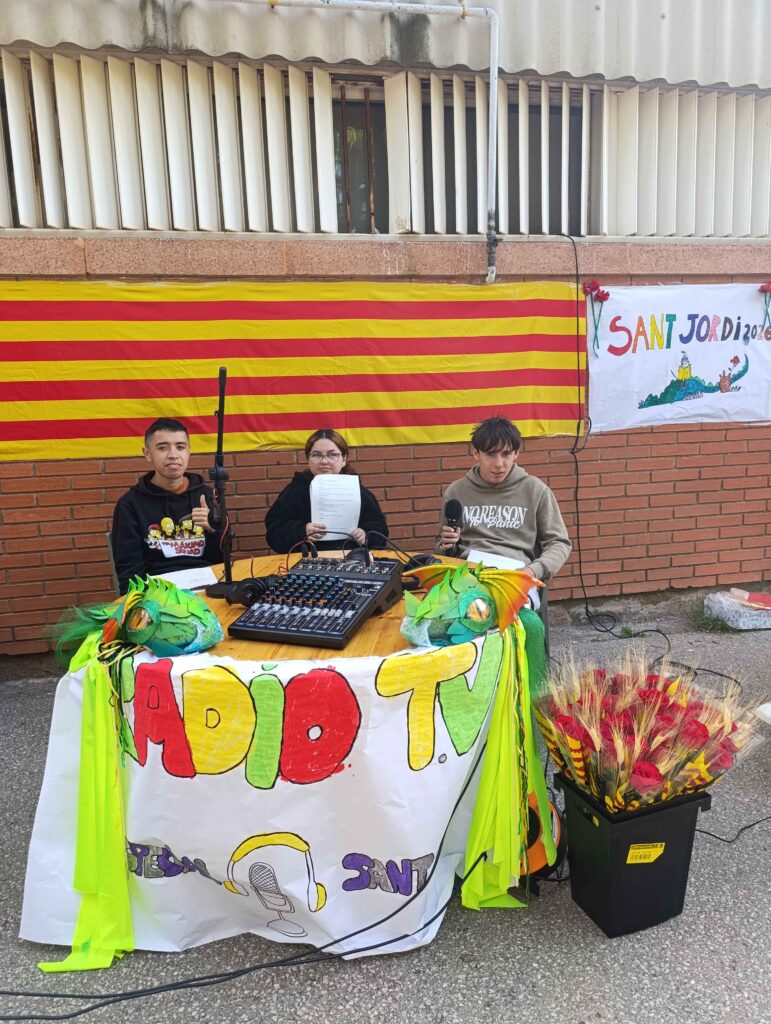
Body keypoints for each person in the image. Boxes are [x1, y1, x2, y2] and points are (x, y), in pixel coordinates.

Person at [436, 416, 571, 585]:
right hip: (467, 576)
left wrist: (534, 570)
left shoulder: (536, 491)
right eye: (490, 454)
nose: (499, 463)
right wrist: (446, 545)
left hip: (516, 577)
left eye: (506, 454)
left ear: (516, 453)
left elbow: (558, 543)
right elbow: (441, 547)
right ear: (476, 453)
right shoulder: (456, 492)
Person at [111, 418, 222, 594]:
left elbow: (223, 561)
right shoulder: (130, 505)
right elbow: (130, 573)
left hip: (207, 589)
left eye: (180, 447)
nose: (173, 455)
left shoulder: (208, 496)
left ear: (189, 451)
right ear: (147, 454)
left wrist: (213, 530)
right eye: (162, 448)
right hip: (158, 594)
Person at [265, 428, 388, 554]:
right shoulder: (295, 491)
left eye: (332, 454)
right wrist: (301, 531)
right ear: (308, 459)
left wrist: (365, 535)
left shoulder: (359, 492)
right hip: (307, 560)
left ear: (344, 459)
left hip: (352, 559)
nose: (324, 461)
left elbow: (379, 528)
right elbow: (274, 532)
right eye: (316, 455)